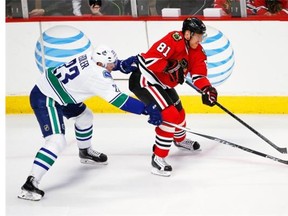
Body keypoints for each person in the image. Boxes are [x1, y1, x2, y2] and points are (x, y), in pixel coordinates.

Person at [18, 44, 162, 201]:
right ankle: (29, 184)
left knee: (85, 116)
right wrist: (146, 109)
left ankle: (85, 152)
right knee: (56, 140)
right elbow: (120, 100)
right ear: (100, 64)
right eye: (111, 64)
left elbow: (103, 66)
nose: (112, 66)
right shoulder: (98, 76)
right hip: (46, 97)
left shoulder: (90, 56)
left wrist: (119, 65)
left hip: (61, 92)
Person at [128, 17, 218, 177]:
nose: (200, 39)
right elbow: (150, 60)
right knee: (169, 116)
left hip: (164, 84)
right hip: (145, 79)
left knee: (180, 114)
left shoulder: (197, 51)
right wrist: (168, 66)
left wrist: (207, 88)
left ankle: (180, 140)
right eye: (198, 35)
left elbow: (198, 74)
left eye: (201, 36)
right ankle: (158, 158)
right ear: (188, 34)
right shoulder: (173, 39)